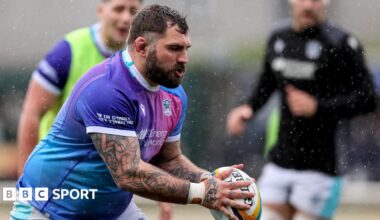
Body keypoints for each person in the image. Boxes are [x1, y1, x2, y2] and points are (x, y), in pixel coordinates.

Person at [12, 4, 254, 220]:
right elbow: (128, 174)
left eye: (186, 48)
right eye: (174, 48)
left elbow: (168, 159)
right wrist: (202, 194)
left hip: (110, 209)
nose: (184, 59)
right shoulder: (107, 88)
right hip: (48, 207)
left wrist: (208, 179)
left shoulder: (174, 93)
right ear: (141, 46)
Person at [226, 0, 376, 220]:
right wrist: (247, 107)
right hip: (281, 162)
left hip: (322, 168)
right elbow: (267, 83)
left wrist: (318, 107)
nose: (307, 5)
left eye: (314, 0)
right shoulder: (279, 38)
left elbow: (368, 98)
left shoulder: (342, 43)